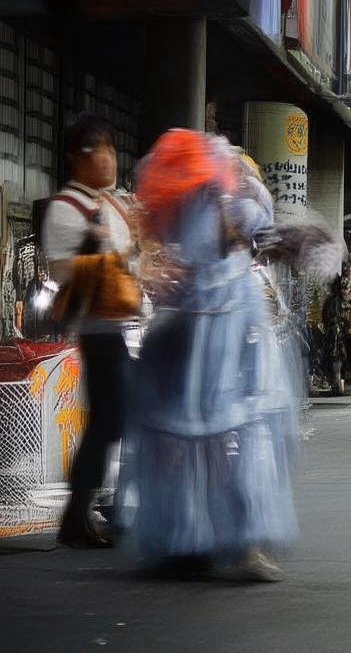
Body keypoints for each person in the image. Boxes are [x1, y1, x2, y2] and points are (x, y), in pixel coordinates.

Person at [130, 129, 301, 581]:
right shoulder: (179, 199)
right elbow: (158, 255)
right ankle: (191, 539)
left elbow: (256, 239)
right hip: (194, 326)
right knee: (189, 440)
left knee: (239, 436)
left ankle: (241, 541)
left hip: (233, 329)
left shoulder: (240, 194)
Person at [42, 113, 138, 549]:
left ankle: (82, 514)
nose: (105, 159)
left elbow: (132, 257)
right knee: (111, 419)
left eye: (110, 149)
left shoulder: (111, 203)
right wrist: (98, 249)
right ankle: (83, 513)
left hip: (119, 325)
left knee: (110, 419)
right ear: (73, 159)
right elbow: (64, 272)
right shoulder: (67, 207)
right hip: (97, 328)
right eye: (94, 150)